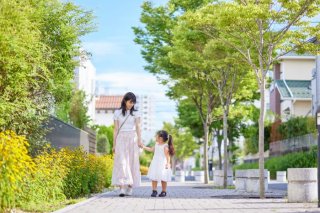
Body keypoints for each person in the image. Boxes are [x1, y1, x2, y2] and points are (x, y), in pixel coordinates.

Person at [111, 92, 144, 197]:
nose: (131, 104)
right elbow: (115, 129)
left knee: (132, 162)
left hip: (132, 138)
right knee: (122, 162)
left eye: (133, 102)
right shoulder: (117, 113)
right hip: (121, 138)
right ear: (125, 100)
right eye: (130, 102)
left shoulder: (136, 113)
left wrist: (139, 140)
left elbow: (138, 126)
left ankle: (130, 187)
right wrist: (114, 144)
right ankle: (121, 188)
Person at [143, 130, 175, 197]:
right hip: (155, 163)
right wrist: (143, 147)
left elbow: (168, 156)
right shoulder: (156, 145)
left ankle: (164, 191)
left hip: (162, 164)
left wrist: (168, 163)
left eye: (156, 136)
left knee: (163, 178)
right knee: (154, 177)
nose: (155, 137)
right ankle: (154, 190)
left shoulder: (165, 147)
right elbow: (151, 149)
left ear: (160, 138)